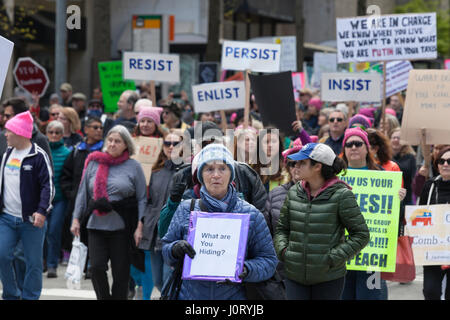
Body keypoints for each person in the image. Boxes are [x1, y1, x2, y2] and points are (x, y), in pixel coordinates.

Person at [161, 143, 278, 299]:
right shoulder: (185, 209)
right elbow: (166, 250)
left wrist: (246, 269)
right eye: (209, 169)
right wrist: (175, 249)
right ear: (201, 175)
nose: (216, 175)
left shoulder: (251, 214)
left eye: (222, 168)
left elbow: (269, 261)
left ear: (231, 174)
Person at [274, 142, 369, 300]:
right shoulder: (293, 192)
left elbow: (361, 234)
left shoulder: (342, 195)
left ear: (317, 167)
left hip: (328, 278)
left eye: (302, 162)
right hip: (294, 275)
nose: (296, 166)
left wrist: (333, 258)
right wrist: (284, 252)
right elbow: (281, 229)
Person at [70, 125, 147, 300]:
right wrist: (75, 219)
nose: (112, 144)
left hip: (122, 227)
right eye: (110, 140)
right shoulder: (93, 162)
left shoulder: (133, 166)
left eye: (117, 141)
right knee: (96, 268)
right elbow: (83, 193)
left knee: (121, 272)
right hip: (95, 224)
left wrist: (140, 226)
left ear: (126, 145)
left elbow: (142, 198)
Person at [340, 127, 406, 300]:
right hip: (342, 252)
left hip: (371, 255)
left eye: (358, 143)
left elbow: (394, 218)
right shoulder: (335, 177)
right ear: (344, 149)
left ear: (367, 148)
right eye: (349, 144)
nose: (353, 147)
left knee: (371, 296)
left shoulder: (382, 175)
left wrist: (398, 201)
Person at [0, 111, 54, 300]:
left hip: (31, 220)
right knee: (2, 256)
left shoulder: (38, 156)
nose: (5, 135)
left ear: (20, 133)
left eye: (9, 131)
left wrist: (41, 211)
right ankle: (11, 294)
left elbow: (48, 186)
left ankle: (30, 296)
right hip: (6, 218)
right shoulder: (7, 153)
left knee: (33, 263)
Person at [135, 131, 183, 299]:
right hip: (153, 231)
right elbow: (146, 201)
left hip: (173, 233)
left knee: (168, 279)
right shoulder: (155, 171)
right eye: (167, 143)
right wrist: (141, 225)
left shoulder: (187, 171)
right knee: (158, 280)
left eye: (176, 143)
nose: (171, 147)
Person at [60, 117, 104, 266]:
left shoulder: (104, 150)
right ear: (86, 129)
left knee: (93, 229)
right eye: (95, 127)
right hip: (76, 198)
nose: (99, 130)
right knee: (72, 226)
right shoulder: (77, 150)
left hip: (96, 199)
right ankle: (69, 256)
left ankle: (92, 261)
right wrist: (71, 193)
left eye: (100, 128)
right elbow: (66, 174)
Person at [418, 146, 450, 300]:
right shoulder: (430, 186)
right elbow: (418, 214)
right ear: (437, 165)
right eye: (442, 161)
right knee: (430, 291)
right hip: (433, 248)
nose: (445, 164)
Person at [44, 120, 71, 278]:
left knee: (54, 230)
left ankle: (52, 264)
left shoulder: (67, 153)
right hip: (42, 198)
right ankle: (43, 261)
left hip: (60, 198)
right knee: (42, 230)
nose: (54, 135)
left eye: (57, 132)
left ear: (62, 134)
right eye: (51, 132)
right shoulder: (41, 150)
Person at [390, 128, 416, 206]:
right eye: (393, 137)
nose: (396, 140)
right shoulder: (385, 157)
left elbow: (406, 171)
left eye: (399, 138)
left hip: (406, 200)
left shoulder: (410, 157)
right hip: (389, 198)